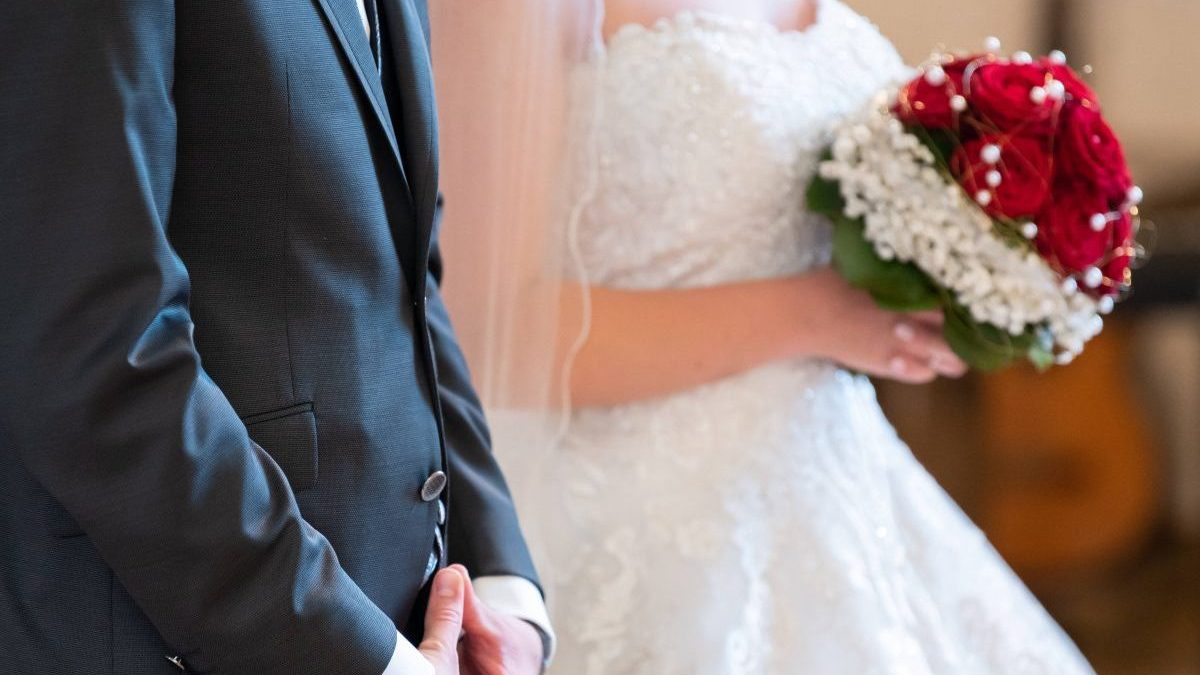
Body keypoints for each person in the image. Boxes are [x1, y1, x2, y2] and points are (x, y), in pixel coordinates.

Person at [436, 0, 1099, 672]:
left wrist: (958, 267)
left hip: (841, 490)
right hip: (638, 526)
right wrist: (818, 315)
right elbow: (491, 329)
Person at [0, 1, 552, 673]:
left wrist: (504, 592)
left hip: (411, 622)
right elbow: (95, 350)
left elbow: (406, 283)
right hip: (192, 634)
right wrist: (365, 660)